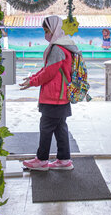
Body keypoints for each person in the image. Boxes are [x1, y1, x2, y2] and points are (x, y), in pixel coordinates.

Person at [19, 15, 80, 171]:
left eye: (47, 30)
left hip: (54, 97)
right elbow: (47, 68)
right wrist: (32, 78)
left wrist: (32, 82)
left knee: (46, 128)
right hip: (61, 96)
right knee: (60, 127)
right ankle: (64, 160)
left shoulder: (58, 48)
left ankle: (42, 160)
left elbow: (49, 73)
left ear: (54, 29)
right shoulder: (64, 45)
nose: (45, 34)